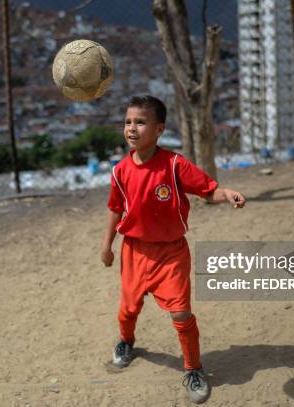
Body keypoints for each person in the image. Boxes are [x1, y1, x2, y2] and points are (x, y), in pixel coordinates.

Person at [100, 95, 245, 403]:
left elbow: (208, 190)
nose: (132, 128)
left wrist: (226, 193)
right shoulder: (120, 171)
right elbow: (115, 209)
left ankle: (193, 368)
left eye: (140, 122)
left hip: (171, 253)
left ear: (159, 129)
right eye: (128, 122)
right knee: (128, 309)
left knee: (181, 312)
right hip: (135, 251)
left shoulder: (175, 165)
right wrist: (107, 246)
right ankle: (126, 341)